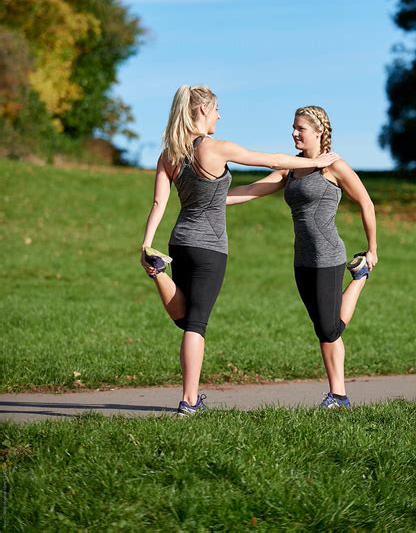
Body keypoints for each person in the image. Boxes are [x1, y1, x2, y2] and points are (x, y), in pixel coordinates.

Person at [140, 87, 340, 416]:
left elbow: (160, 202)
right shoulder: (216, 148)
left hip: (180, 239)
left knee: (185, 318)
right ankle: (189, 401)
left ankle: (159, 270)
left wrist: (146, 244)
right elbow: (272, 161)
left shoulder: (169, 154)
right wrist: (316, 161)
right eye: (216, 110)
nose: (219, 116)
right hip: (209, 248)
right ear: (201, 112)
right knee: (195, 325)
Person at [226, 105, 378, 408]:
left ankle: (360, 278)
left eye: (300, 129)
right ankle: (338, 396)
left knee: (329, 328)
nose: (294, 133)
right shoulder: (290, 167)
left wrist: (373, 248)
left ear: (319, 132)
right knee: (323, 328)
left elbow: (366, 202)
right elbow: (256, 188)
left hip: (328, 255)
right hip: (302, 258)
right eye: (293, 128)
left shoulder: (333, 167)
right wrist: (216, 198)